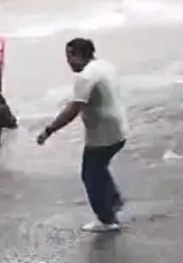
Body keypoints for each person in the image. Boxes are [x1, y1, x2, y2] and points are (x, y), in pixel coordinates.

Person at [36, 37, 128, 233]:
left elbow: (73, 109)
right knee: (99, 168)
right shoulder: (103, 66)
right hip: (118, 128)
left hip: (103, 135)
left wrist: (49, 130)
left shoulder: (85, 77)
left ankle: (107, 219)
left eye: (69, 56)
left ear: (79, 55)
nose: (68, 61)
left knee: (90, 175)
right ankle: (114, 200)